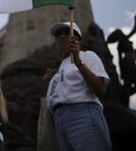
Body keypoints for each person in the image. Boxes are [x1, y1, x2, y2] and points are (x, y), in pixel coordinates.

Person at [44, 22, 111, 151]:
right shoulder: (61, 66)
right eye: (58, 34)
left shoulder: (87, 56)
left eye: (67, 33)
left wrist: (79, 62)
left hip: (82, 115)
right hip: (59, 120)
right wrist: (50, 81)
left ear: (77, 39)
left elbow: (101, 90)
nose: (62, 36)